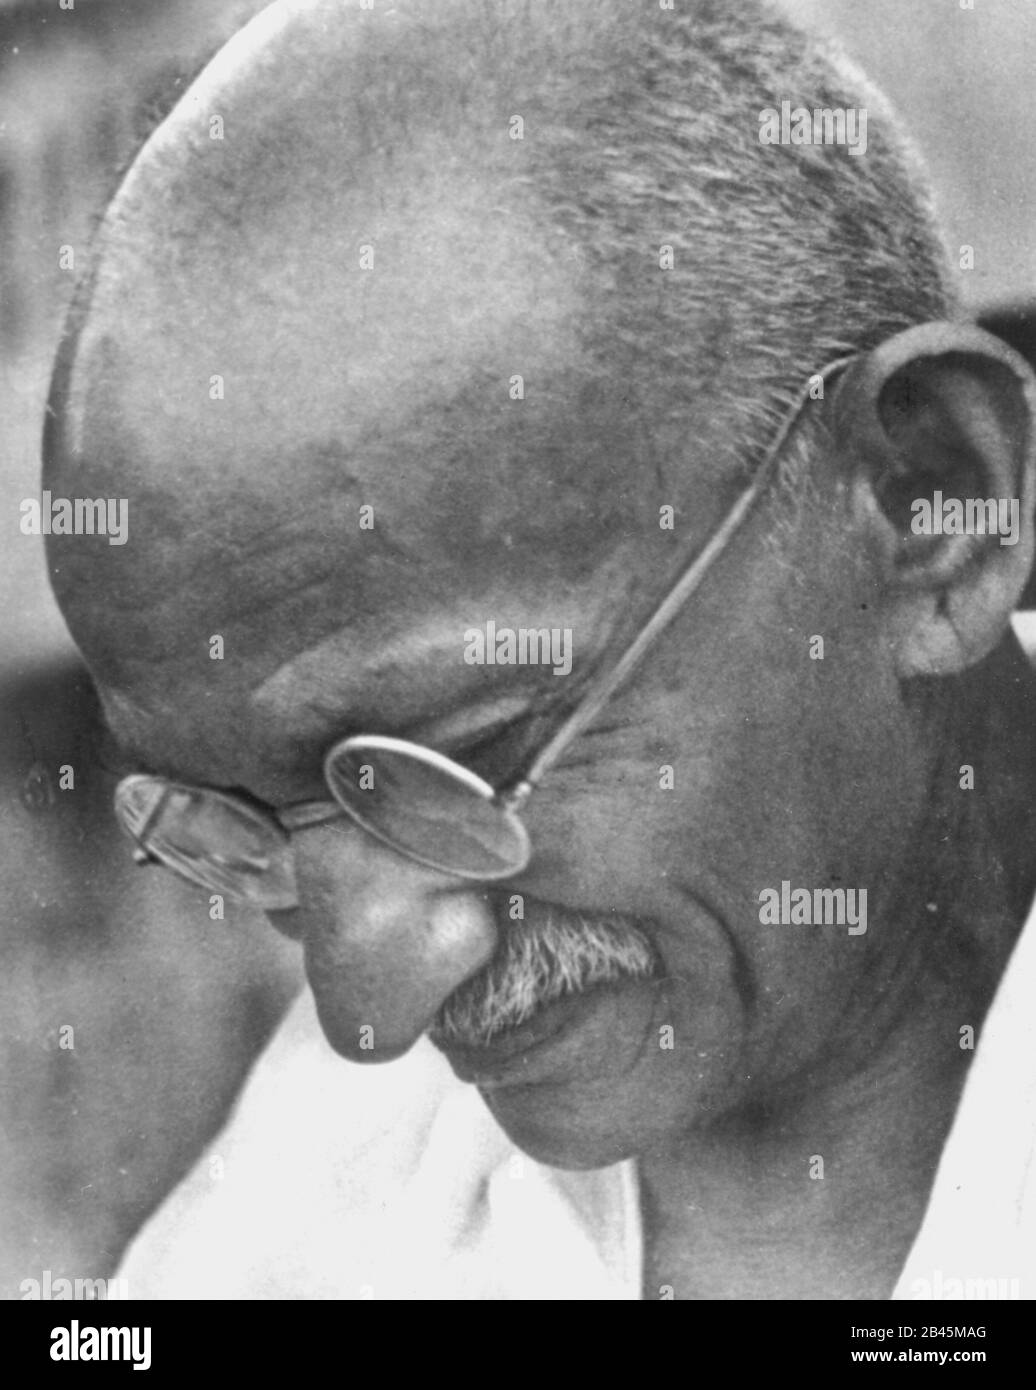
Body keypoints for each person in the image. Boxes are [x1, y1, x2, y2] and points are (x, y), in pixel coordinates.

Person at [37, 0, 1036, 1299]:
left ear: (927, 509)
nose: (367, 1001)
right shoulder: (308, 1218)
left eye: (464, 764)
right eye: (247, 834)